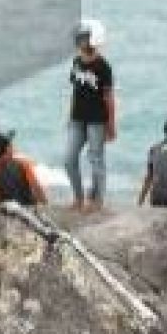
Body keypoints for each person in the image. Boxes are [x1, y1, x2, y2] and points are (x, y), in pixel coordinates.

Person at [64, 19, 116, 212]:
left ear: (93, 39)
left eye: (84, 37)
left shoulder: (103, 66)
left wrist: (111, 125)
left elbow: (108, 96)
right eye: (79, 37)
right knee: (69, 159)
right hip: (77, 119)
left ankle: (97, 200)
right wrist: (69, 117)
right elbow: (74, 91)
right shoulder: (76, 62)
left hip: (97, 120)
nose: (80, 41)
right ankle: (78, 198)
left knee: (96, 159)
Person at [0, 131, 48, 206]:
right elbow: (36, 188)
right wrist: (45, 204)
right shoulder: (23, 164)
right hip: (27, 207)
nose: (13, 147)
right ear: (8, 149)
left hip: (6, 209)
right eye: (11, 145)